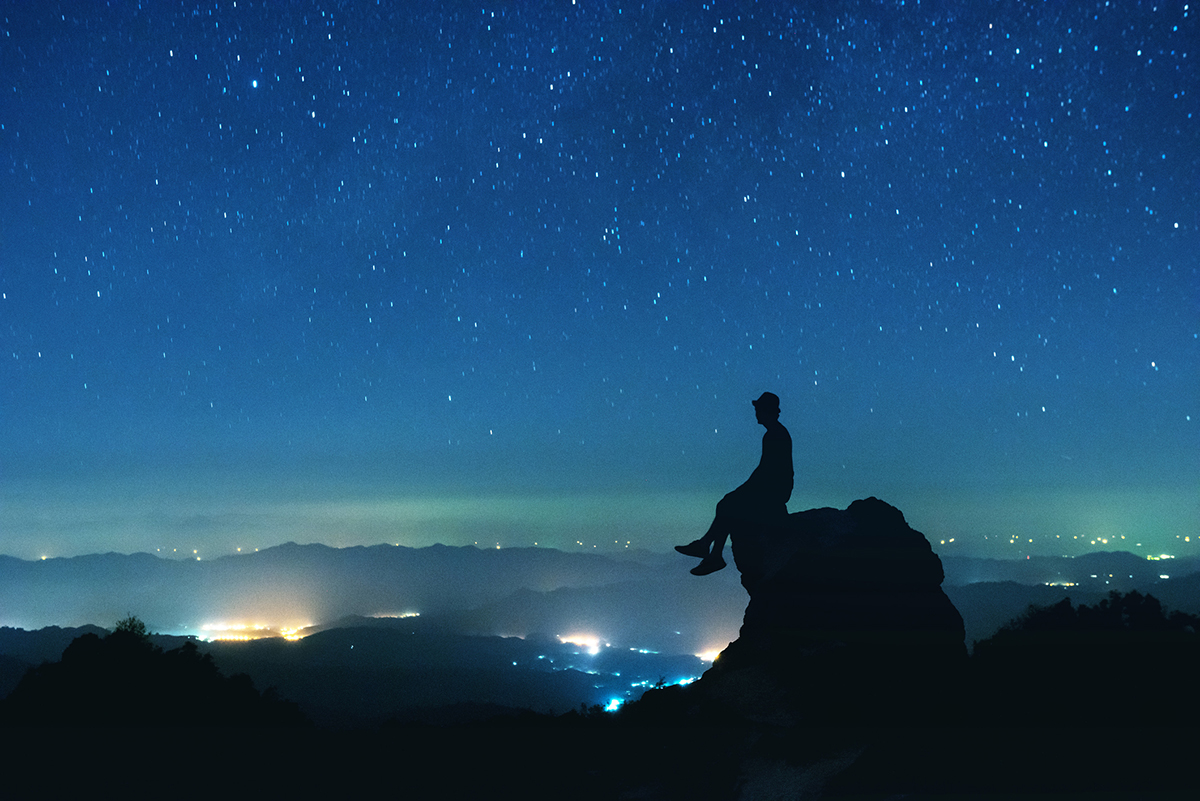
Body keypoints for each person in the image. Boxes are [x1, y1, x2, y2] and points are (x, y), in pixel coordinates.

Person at [676, 392, 793, 575]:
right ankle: (710, 552)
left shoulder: (774, 435)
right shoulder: (775, 433)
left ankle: (709, 550)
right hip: (775, 488)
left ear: (764, 410)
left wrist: (745, 490)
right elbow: (767, 470)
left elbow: (768, 470)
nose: (755, 414)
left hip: (775, 490)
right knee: (728, 504)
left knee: (728, 505)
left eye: (757, 410)